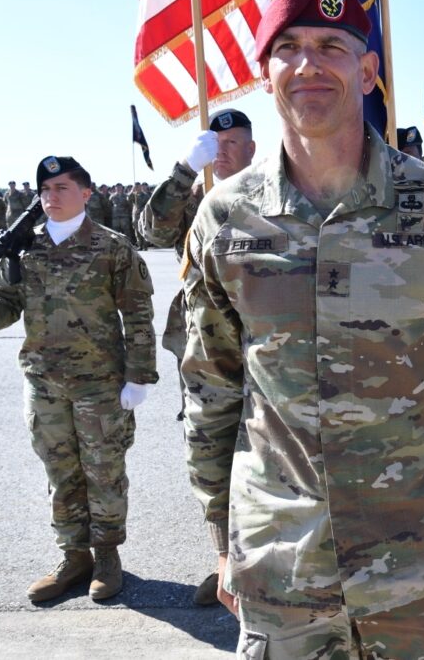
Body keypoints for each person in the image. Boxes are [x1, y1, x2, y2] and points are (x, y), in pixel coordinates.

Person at [180, 0, 424, 656]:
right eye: (290, 48)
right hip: (280, 556)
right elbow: (211, 388)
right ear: (264, 73)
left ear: (367, 71)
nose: (309, 64)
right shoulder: (225, 216)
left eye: (332, 46)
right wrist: (223, 536)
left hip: (416, 556)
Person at [0, 156, 157, 602]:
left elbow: (138, 315)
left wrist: (139, 377)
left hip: (100, 383)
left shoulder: (112, 246)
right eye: (45, 189)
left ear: (85, 193)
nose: (50, 196)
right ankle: (74, 556)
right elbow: (4, 308)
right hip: (44, 383)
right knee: (60, 473)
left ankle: (108, 556)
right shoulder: (23, 247)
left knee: (104, 472)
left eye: (61, 187)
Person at [138, 106, 256, 607]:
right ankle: (225, 560)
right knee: (210, 452)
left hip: (262, 345)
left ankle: (268, 560)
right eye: (215, 145)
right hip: (203, 349)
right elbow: (151, 231)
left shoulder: (269, 195)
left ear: (252, 148)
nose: (222, 152)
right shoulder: (193, 199)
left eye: (232, 144)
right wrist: (185, 170)